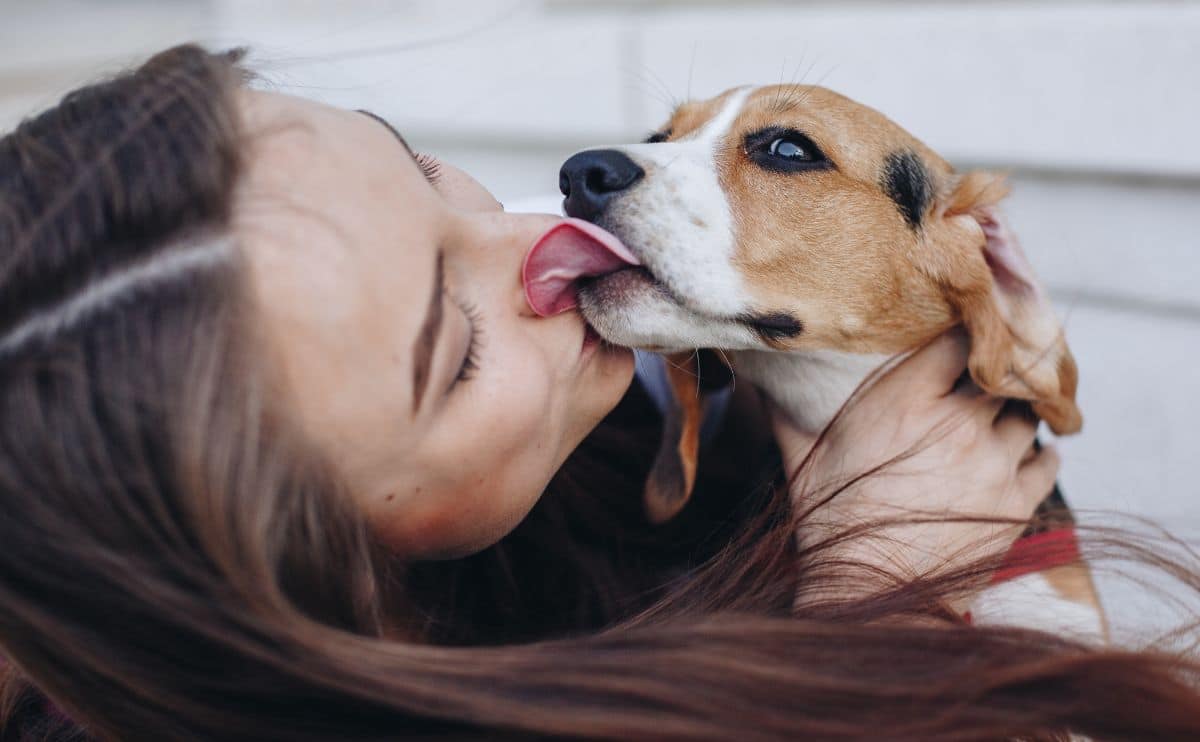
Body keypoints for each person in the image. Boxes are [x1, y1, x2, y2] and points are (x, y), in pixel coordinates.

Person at [0, 44, 1196, 741]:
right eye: (456, 349)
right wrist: (879, 602)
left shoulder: (665, 435)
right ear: (326, 583)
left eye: (418, 163)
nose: (533, 228)